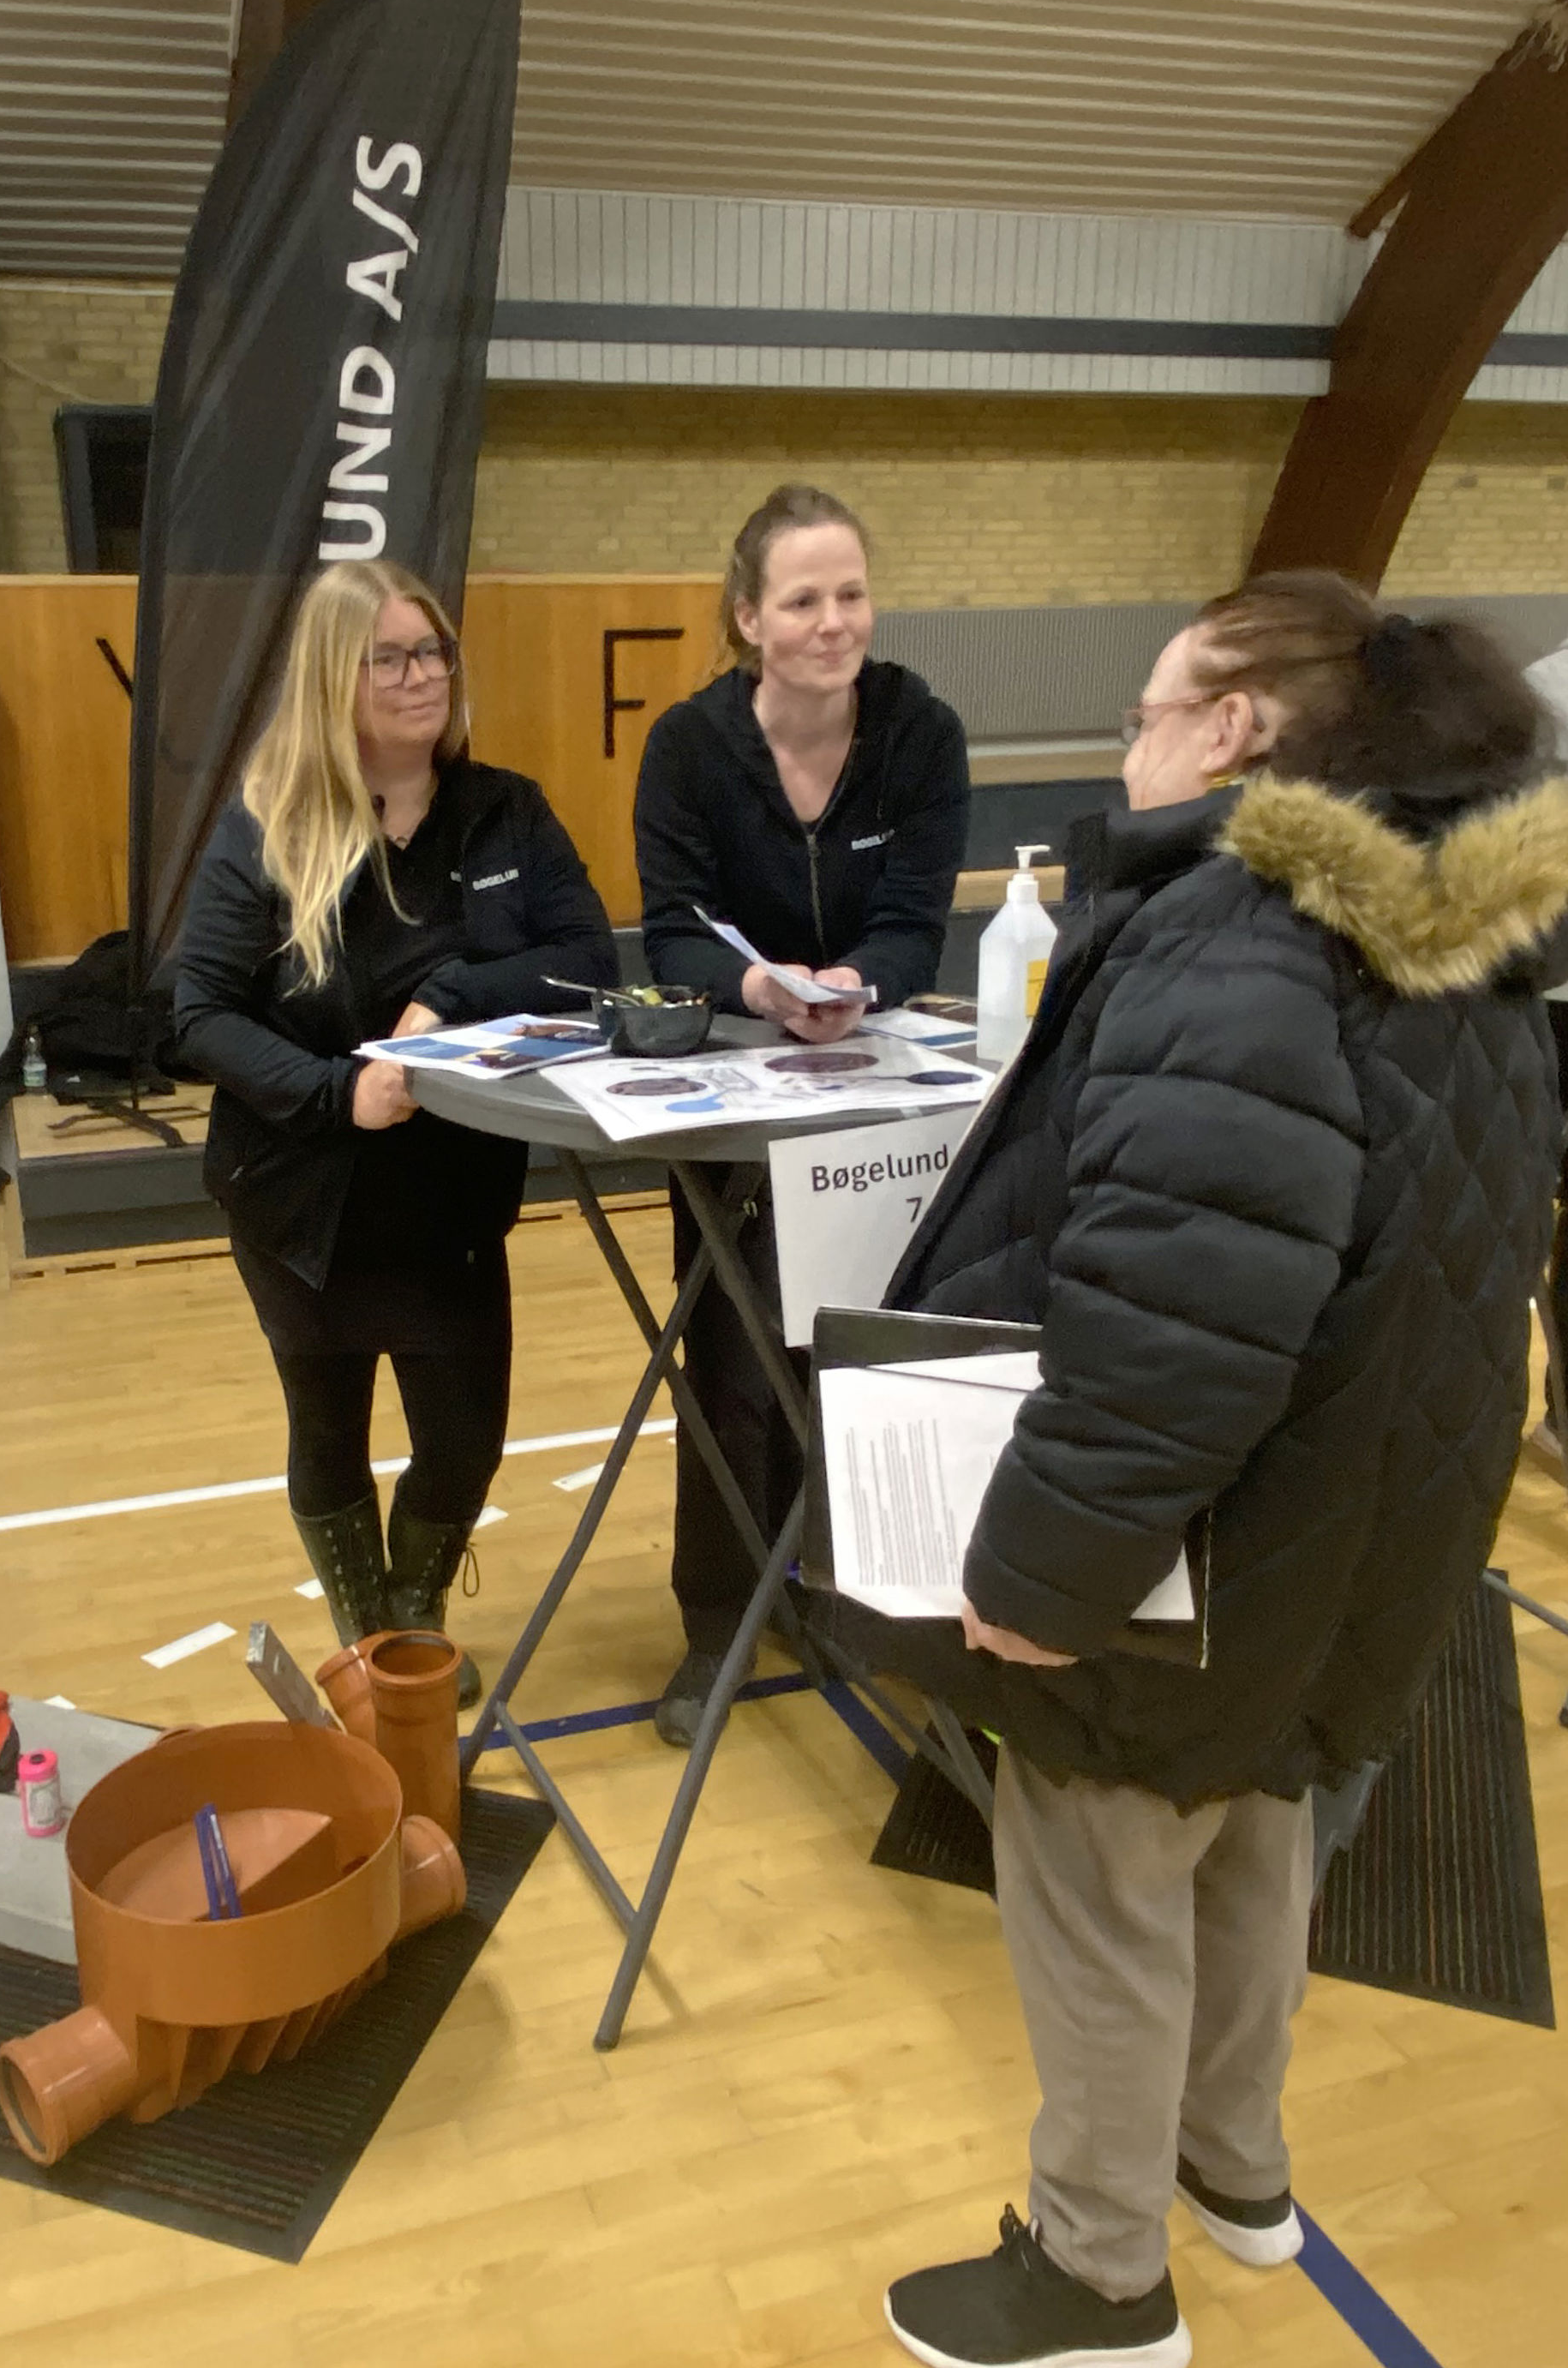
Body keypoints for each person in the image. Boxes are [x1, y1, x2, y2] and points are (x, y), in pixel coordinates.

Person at [870, 573, 1568, 2368]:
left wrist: (1036, 1576)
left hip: (1205, 1527)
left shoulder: (1237, 940)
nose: (1129, 749)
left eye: (1145, 714)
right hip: (1355, 1530)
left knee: (1098, 1862)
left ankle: (1097, 2275)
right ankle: (1231, 2164)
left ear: (1234, 727)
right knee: (1256, 1825)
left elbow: (1175, 1323)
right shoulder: (1466, 941)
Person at [174, 559, 619, 1706]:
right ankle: (373, 1639)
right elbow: (199, 1011)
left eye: (433, 653)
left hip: (451, 1195)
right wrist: (339, 1093)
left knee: (464, 1438)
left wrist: (456, 992)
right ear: (335, 677)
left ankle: (415, 1603)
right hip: (301, 1191)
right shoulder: (270, 825)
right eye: (390, 658)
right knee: (328, 1427)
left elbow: (586, 957)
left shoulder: (503, 810)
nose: (423, 676)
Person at [632, 485, 969, 1744]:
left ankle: (832, 1589)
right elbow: (672, 933)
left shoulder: (921, 732)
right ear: (748, 619)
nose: (834, 623)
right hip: (736, 1092)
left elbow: (916, 921)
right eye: (803, 600)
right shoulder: (688, 747)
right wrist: (762, 990)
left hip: (873, 1091)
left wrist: (857, 982)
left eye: (851, 595)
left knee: (851, 1352)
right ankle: (718, 1620)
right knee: (730, 1362)